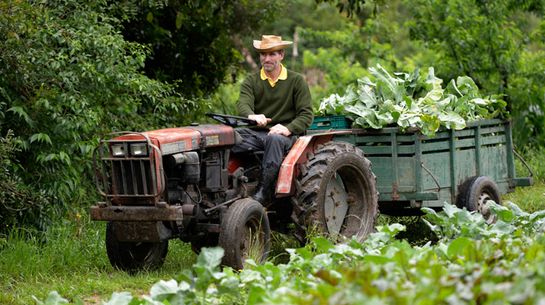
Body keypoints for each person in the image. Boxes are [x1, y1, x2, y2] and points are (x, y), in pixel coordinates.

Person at [232, 35, 314, 205]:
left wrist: (288, 128)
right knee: (227, 137)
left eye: (272, 54)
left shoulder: (296, 81)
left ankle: (263, 193)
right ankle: (230, 185)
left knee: (274, 138)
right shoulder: (251, 81)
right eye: (263, 54)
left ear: (281, 55)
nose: (266, 59)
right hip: (258, 134)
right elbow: (243, 104)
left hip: (286, 137)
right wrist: (252, 115)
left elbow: (306, 115)